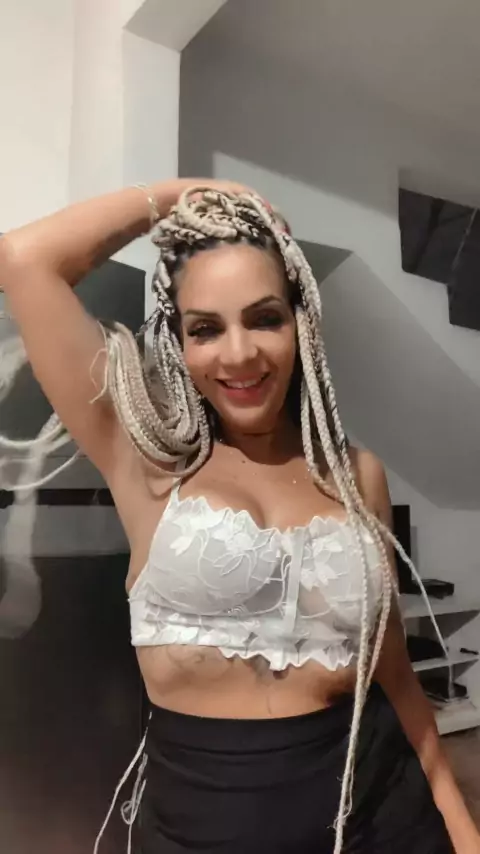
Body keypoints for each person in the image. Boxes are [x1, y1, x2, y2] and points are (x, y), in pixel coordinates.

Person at [0, 179, 477, 854]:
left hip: (381, 814)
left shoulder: (355, 472)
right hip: (201, 829)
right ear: (179, 343)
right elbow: (24, 260)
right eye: (205, 328)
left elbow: (393, 671)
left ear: (300, 323)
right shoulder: (146, 463)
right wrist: (184, 194)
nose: (239, 354)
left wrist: (461, 827)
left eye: (264, 318)